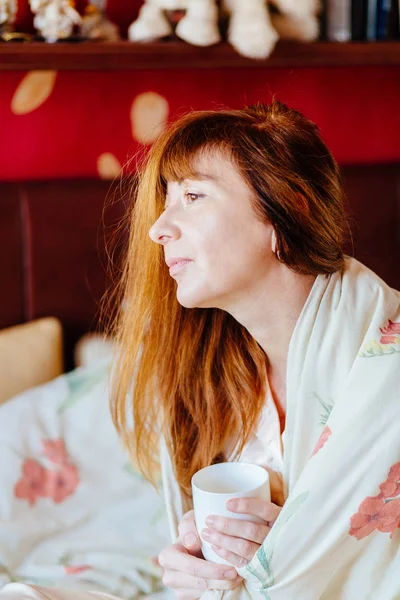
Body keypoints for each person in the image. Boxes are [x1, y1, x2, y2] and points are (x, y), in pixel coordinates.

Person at [1, 102, 399, 600]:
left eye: (193, 195)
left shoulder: (387, 377)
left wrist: (285, 555)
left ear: (286, 210)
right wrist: (194, 567)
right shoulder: (221, 377)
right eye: (166, 200)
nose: (158, 229)